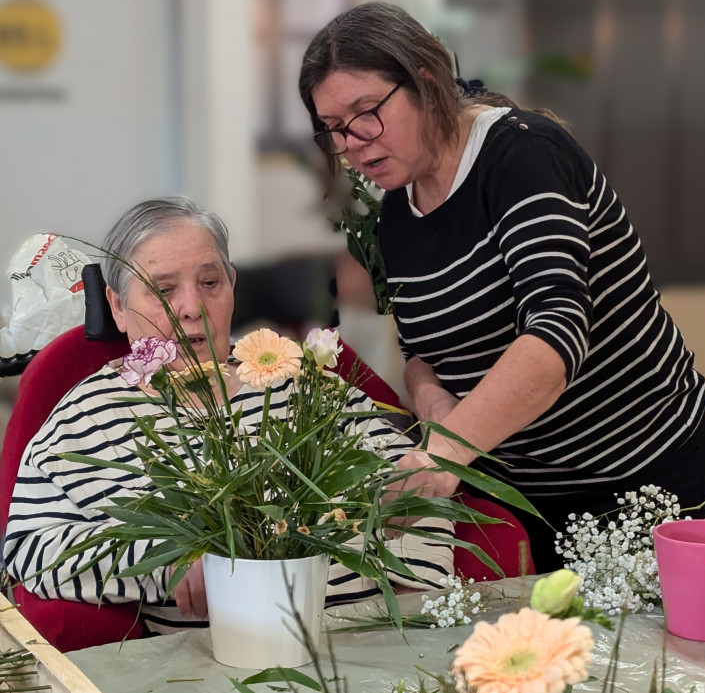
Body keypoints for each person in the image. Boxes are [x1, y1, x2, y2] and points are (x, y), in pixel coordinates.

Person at [299, 2, 705, 572]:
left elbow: (555, 336)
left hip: (636, 470)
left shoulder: (521, 155)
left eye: (366, 112)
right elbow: (420, 350)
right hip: (522, 495)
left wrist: (443, 454)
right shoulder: (398, 210)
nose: (352, 142)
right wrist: (434, 404)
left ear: (427, 81)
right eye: (333, 129)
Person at [2, 196, 452, 635]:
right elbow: (28, 550)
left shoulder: (299, 380)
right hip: (221, 655)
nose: (192, 308)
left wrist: (414, 601)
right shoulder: (84, 420)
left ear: (232, 286)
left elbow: (416, 484)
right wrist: (167, 558)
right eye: (163, 290)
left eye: (210, 283)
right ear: (117, 306)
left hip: (379, 634)